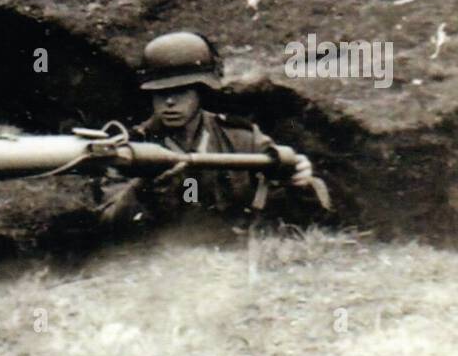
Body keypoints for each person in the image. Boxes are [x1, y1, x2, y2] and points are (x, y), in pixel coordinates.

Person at [95, 31, 326, 237]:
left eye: (181, 90)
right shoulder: (131, 148)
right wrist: (142, 188)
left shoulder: (241, 138)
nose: (170, 102)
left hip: (234, 262)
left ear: (200, 91)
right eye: (160, 92)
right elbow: (108, 221)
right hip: (158, 262)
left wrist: (302, 182)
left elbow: (309, 216)